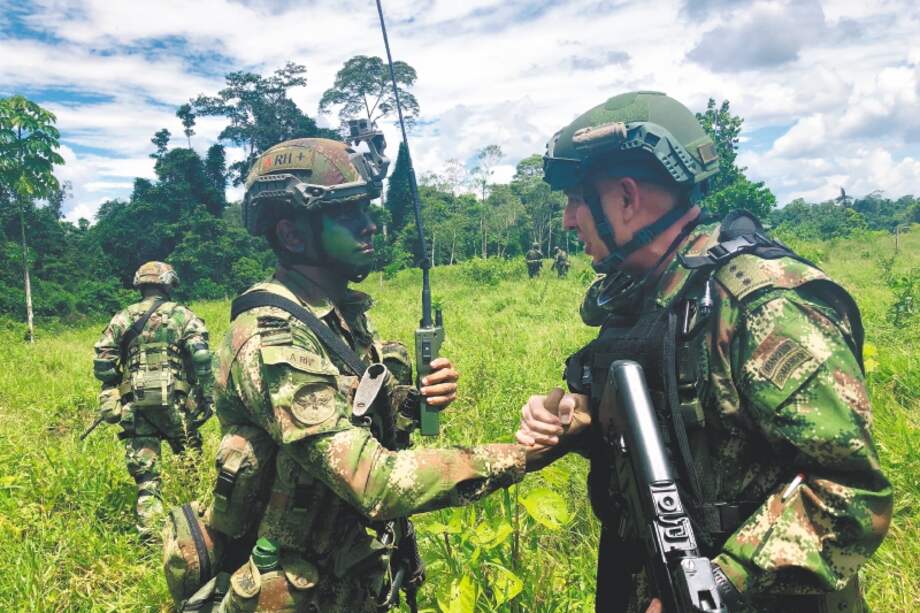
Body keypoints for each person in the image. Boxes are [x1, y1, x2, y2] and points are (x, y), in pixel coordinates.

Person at [516, 91, 892, 612]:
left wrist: (716, 588)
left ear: (627, 198)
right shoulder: (643, 296)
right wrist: (579, 419)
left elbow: (849, 493)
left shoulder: (763, 303)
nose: (567, 219)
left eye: (578, 198)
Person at [169, 136, 535, 612]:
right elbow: (374, 481)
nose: (370, 225)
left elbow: (361, 422)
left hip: (347, 574)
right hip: (291, 592)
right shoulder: (271, 337)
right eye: (347, 213)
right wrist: (524, 454)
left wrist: (414, 402)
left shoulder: (336, 319)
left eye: (367, 209)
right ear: (293, 235)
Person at [93, 261, 214, 538]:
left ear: (140, 283)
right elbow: (202, 357)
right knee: (191, 462)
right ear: (169, 283)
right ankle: (196, 529)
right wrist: (206, 395)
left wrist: (113, 388)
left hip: (136, 405)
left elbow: (103, 363)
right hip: (177, 403)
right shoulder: (183, 316)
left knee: (147, 477)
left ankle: (149, 532)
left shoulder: (122, 318)